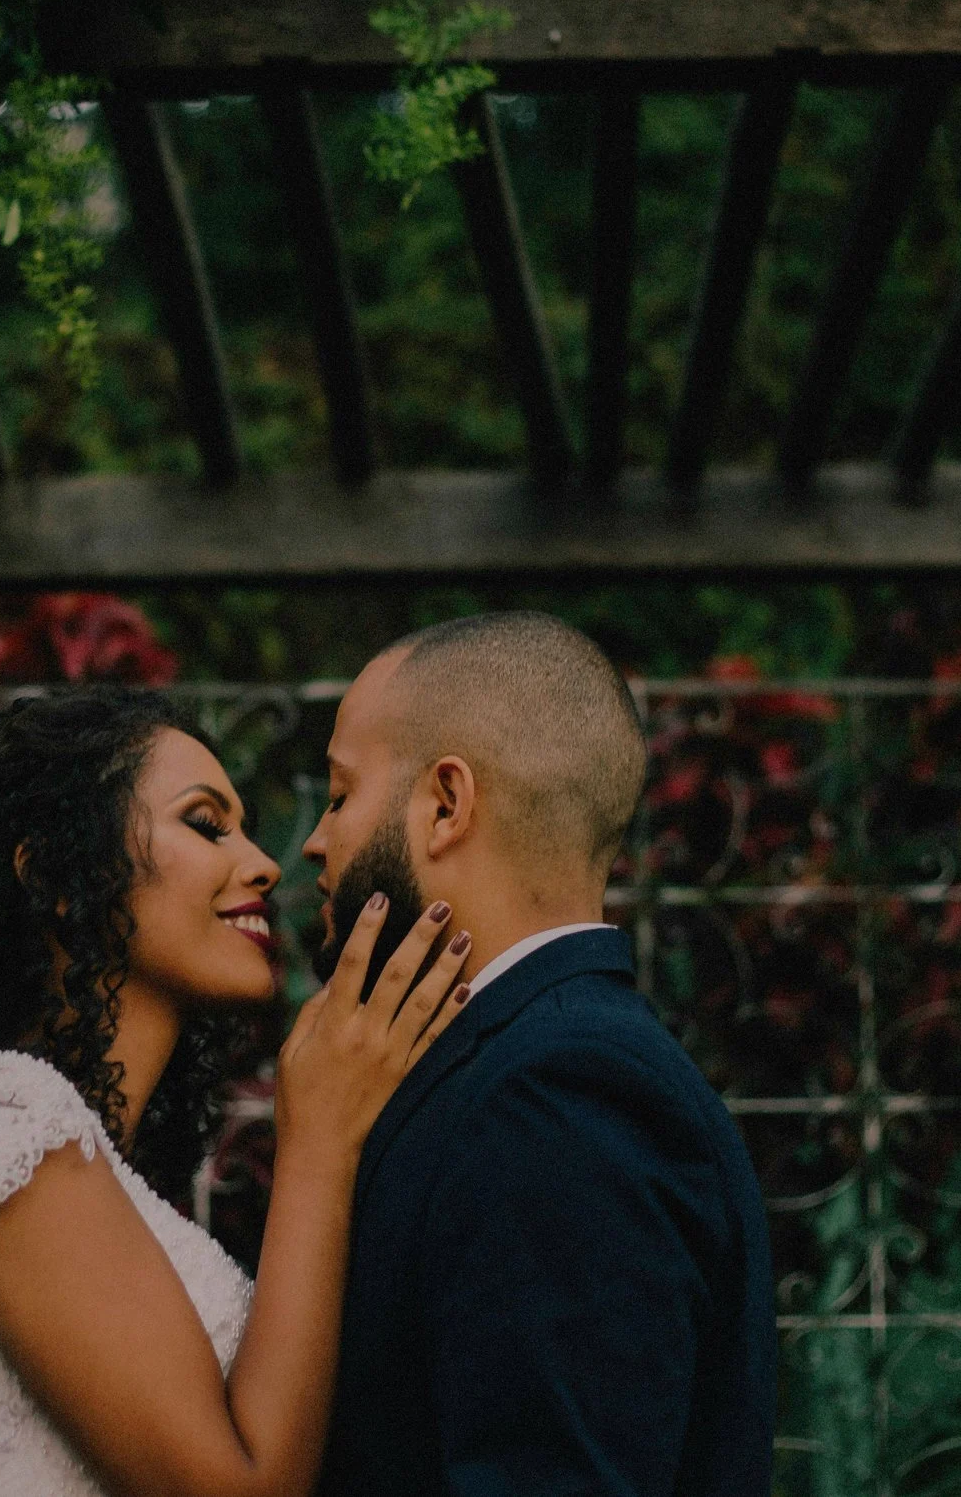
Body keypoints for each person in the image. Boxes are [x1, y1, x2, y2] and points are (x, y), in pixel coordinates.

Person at [0, 688, 472, 1497]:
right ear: (61, 875)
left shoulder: (73, 1154)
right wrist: (317, 1142)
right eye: (207, 824)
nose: (265, 862)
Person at [303, 611, 779, 1497]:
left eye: (338, 793)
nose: (315, 840)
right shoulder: (527, 1068)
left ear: (446, 804)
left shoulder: (560, 1091)